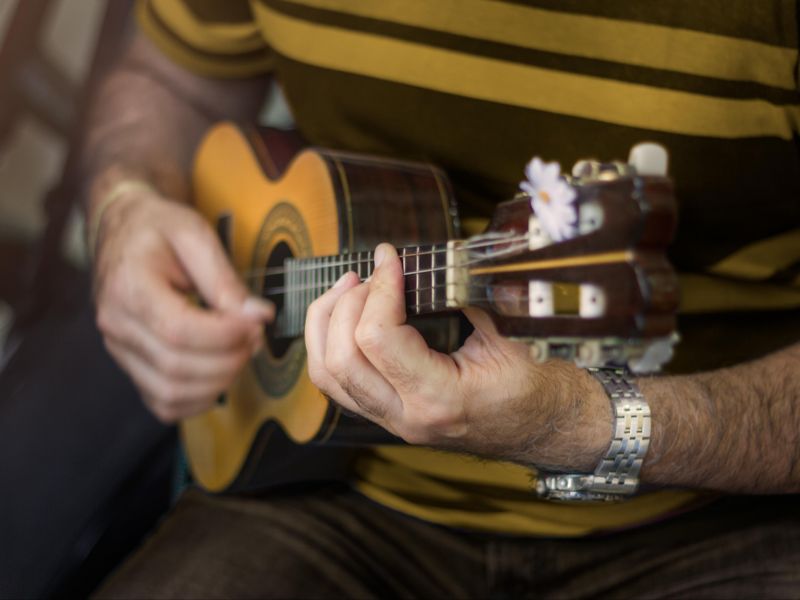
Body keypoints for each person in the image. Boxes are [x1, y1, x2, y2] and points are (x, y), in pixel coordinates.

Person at [84, 1, 800, 597]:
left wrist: (583, 426)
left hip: (712, 507)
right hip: (329, 490)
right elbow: (172, 78)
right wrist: (122, 204)